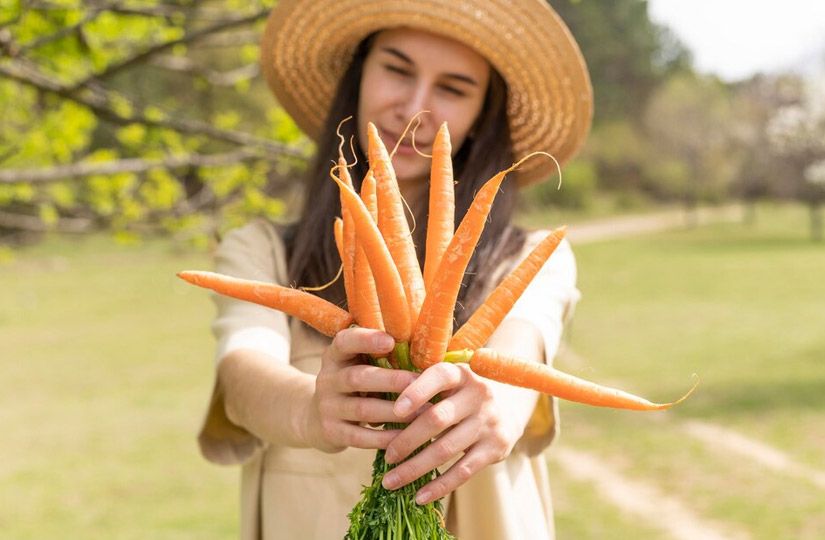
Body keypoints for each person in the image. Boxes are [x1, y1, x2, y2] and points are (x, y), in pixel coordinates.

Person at [197, 0, 592, 538]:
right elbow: (243, 373)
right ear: (359, 75)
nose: (415, 109)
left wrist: (497, 402)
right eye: (397, 70)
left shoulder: (528, 256)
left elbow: (521, 352)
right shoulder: (263, 251)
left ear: (483, 115)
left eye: (453, 88)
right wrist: (309, 409)